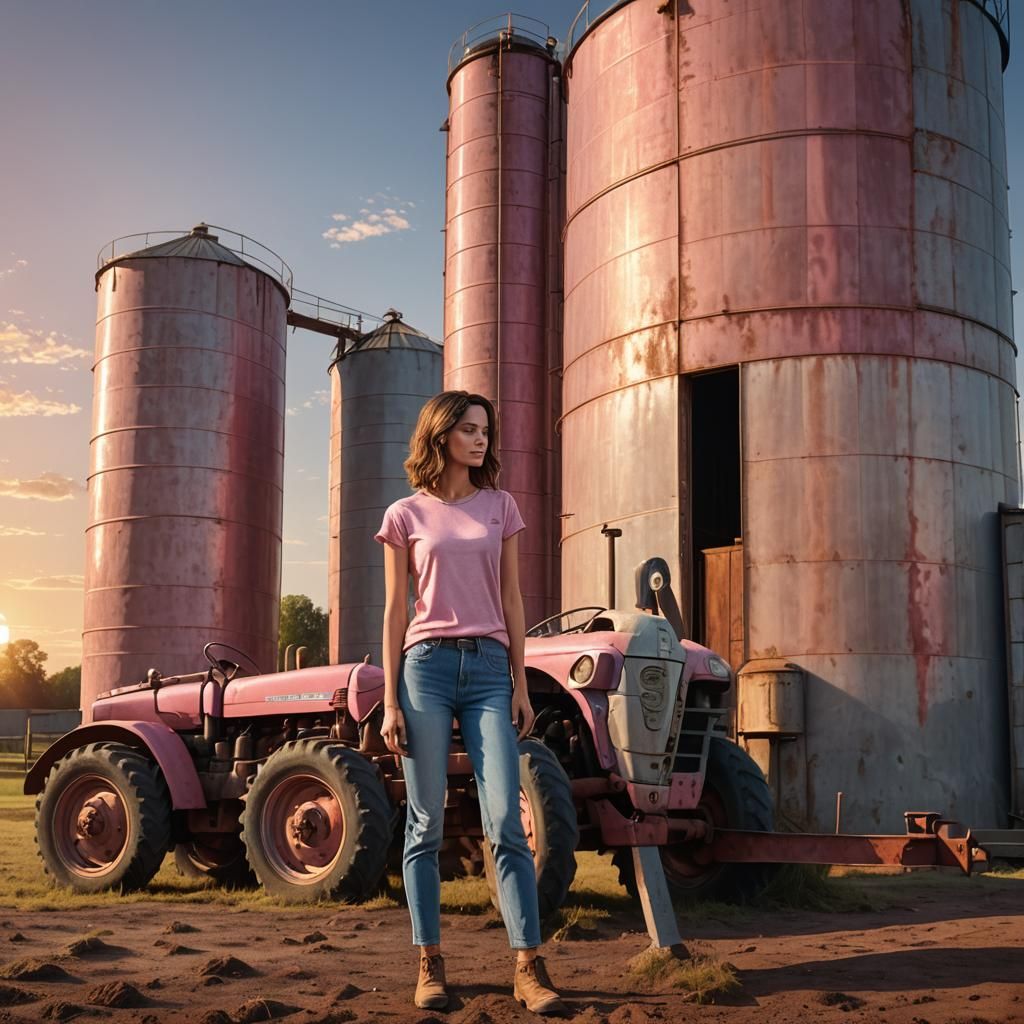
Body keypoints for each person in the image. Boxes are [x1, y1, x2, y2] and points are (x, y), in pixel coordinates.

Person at [374, 390, 565, 1015]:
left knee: (506, 822)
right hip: (424, 669)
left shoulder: (500, 507)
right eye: (468, 430)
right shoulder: (405, 515)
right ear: (441, 436)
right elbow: (395, 610)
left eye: (485, 430)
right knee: (425, 822)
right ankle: (430, 964)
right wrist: (391, 701)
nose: (481, 440)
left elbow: (513, 599)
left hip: (488, 669)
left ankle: (528, 967)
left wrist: (519, 682)